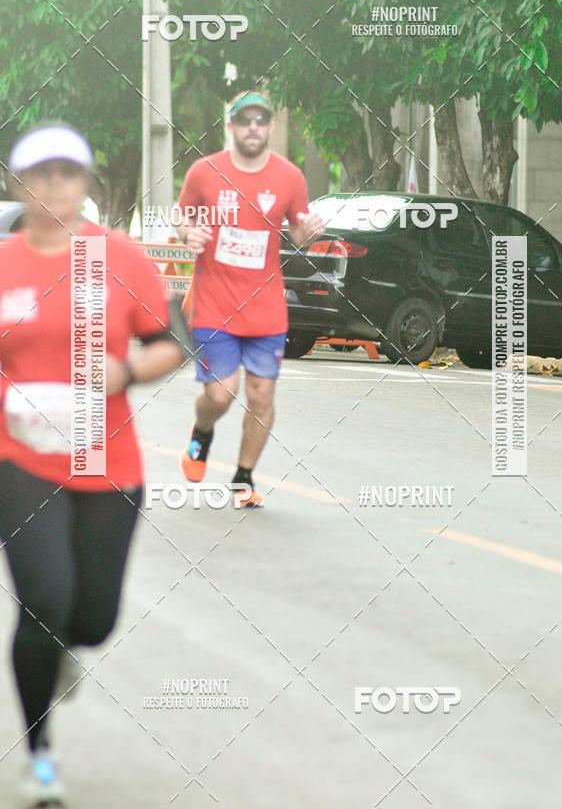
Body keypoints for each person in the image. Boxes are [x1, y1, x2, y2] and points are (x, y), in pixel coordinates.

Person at [0, 122, 183, 806]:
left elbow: (172, 341)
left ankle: (64, 652)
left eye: (68, 173)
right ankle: (40, 754)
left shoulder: (119, 258)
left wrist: (126, 370)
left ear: (84, 183)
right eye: (41, 173)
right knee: (45, 597)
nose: (55, 185)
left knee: (93, 618)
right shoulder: (4, 264)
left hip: (108, 463)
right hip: (17, 458)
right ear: (20, 184)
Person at [175, 91, 324, 507]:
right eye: (245, 120)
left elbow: (298, 232)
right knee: (220, 394)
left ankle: (243, 478)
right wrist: (189, 233)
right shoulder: (204, 172)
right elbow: (182, 214)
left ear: (271, 126)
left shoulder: (290, 177)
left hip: (266, 310)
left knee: (261, 396)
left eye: (261, 119)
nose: (253, 127)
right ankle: (202, 431)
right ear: (231, 126)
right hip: (214, 305)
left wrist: (309, 231)